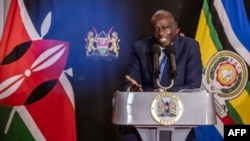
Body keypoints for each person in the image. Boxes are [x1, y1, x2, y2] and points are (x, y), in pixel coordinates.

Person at [119, 9, 202, 141]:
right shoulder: (140, 47)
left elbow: (193, 85)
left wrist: (159, 93)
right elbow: (130, 83)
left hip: (177, 116)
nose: (161, 33)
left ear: (176, 27)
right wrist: (133, 90)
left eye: (165, 27)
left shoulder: (190, 46)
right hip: (142, 116)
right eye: (156, 29)